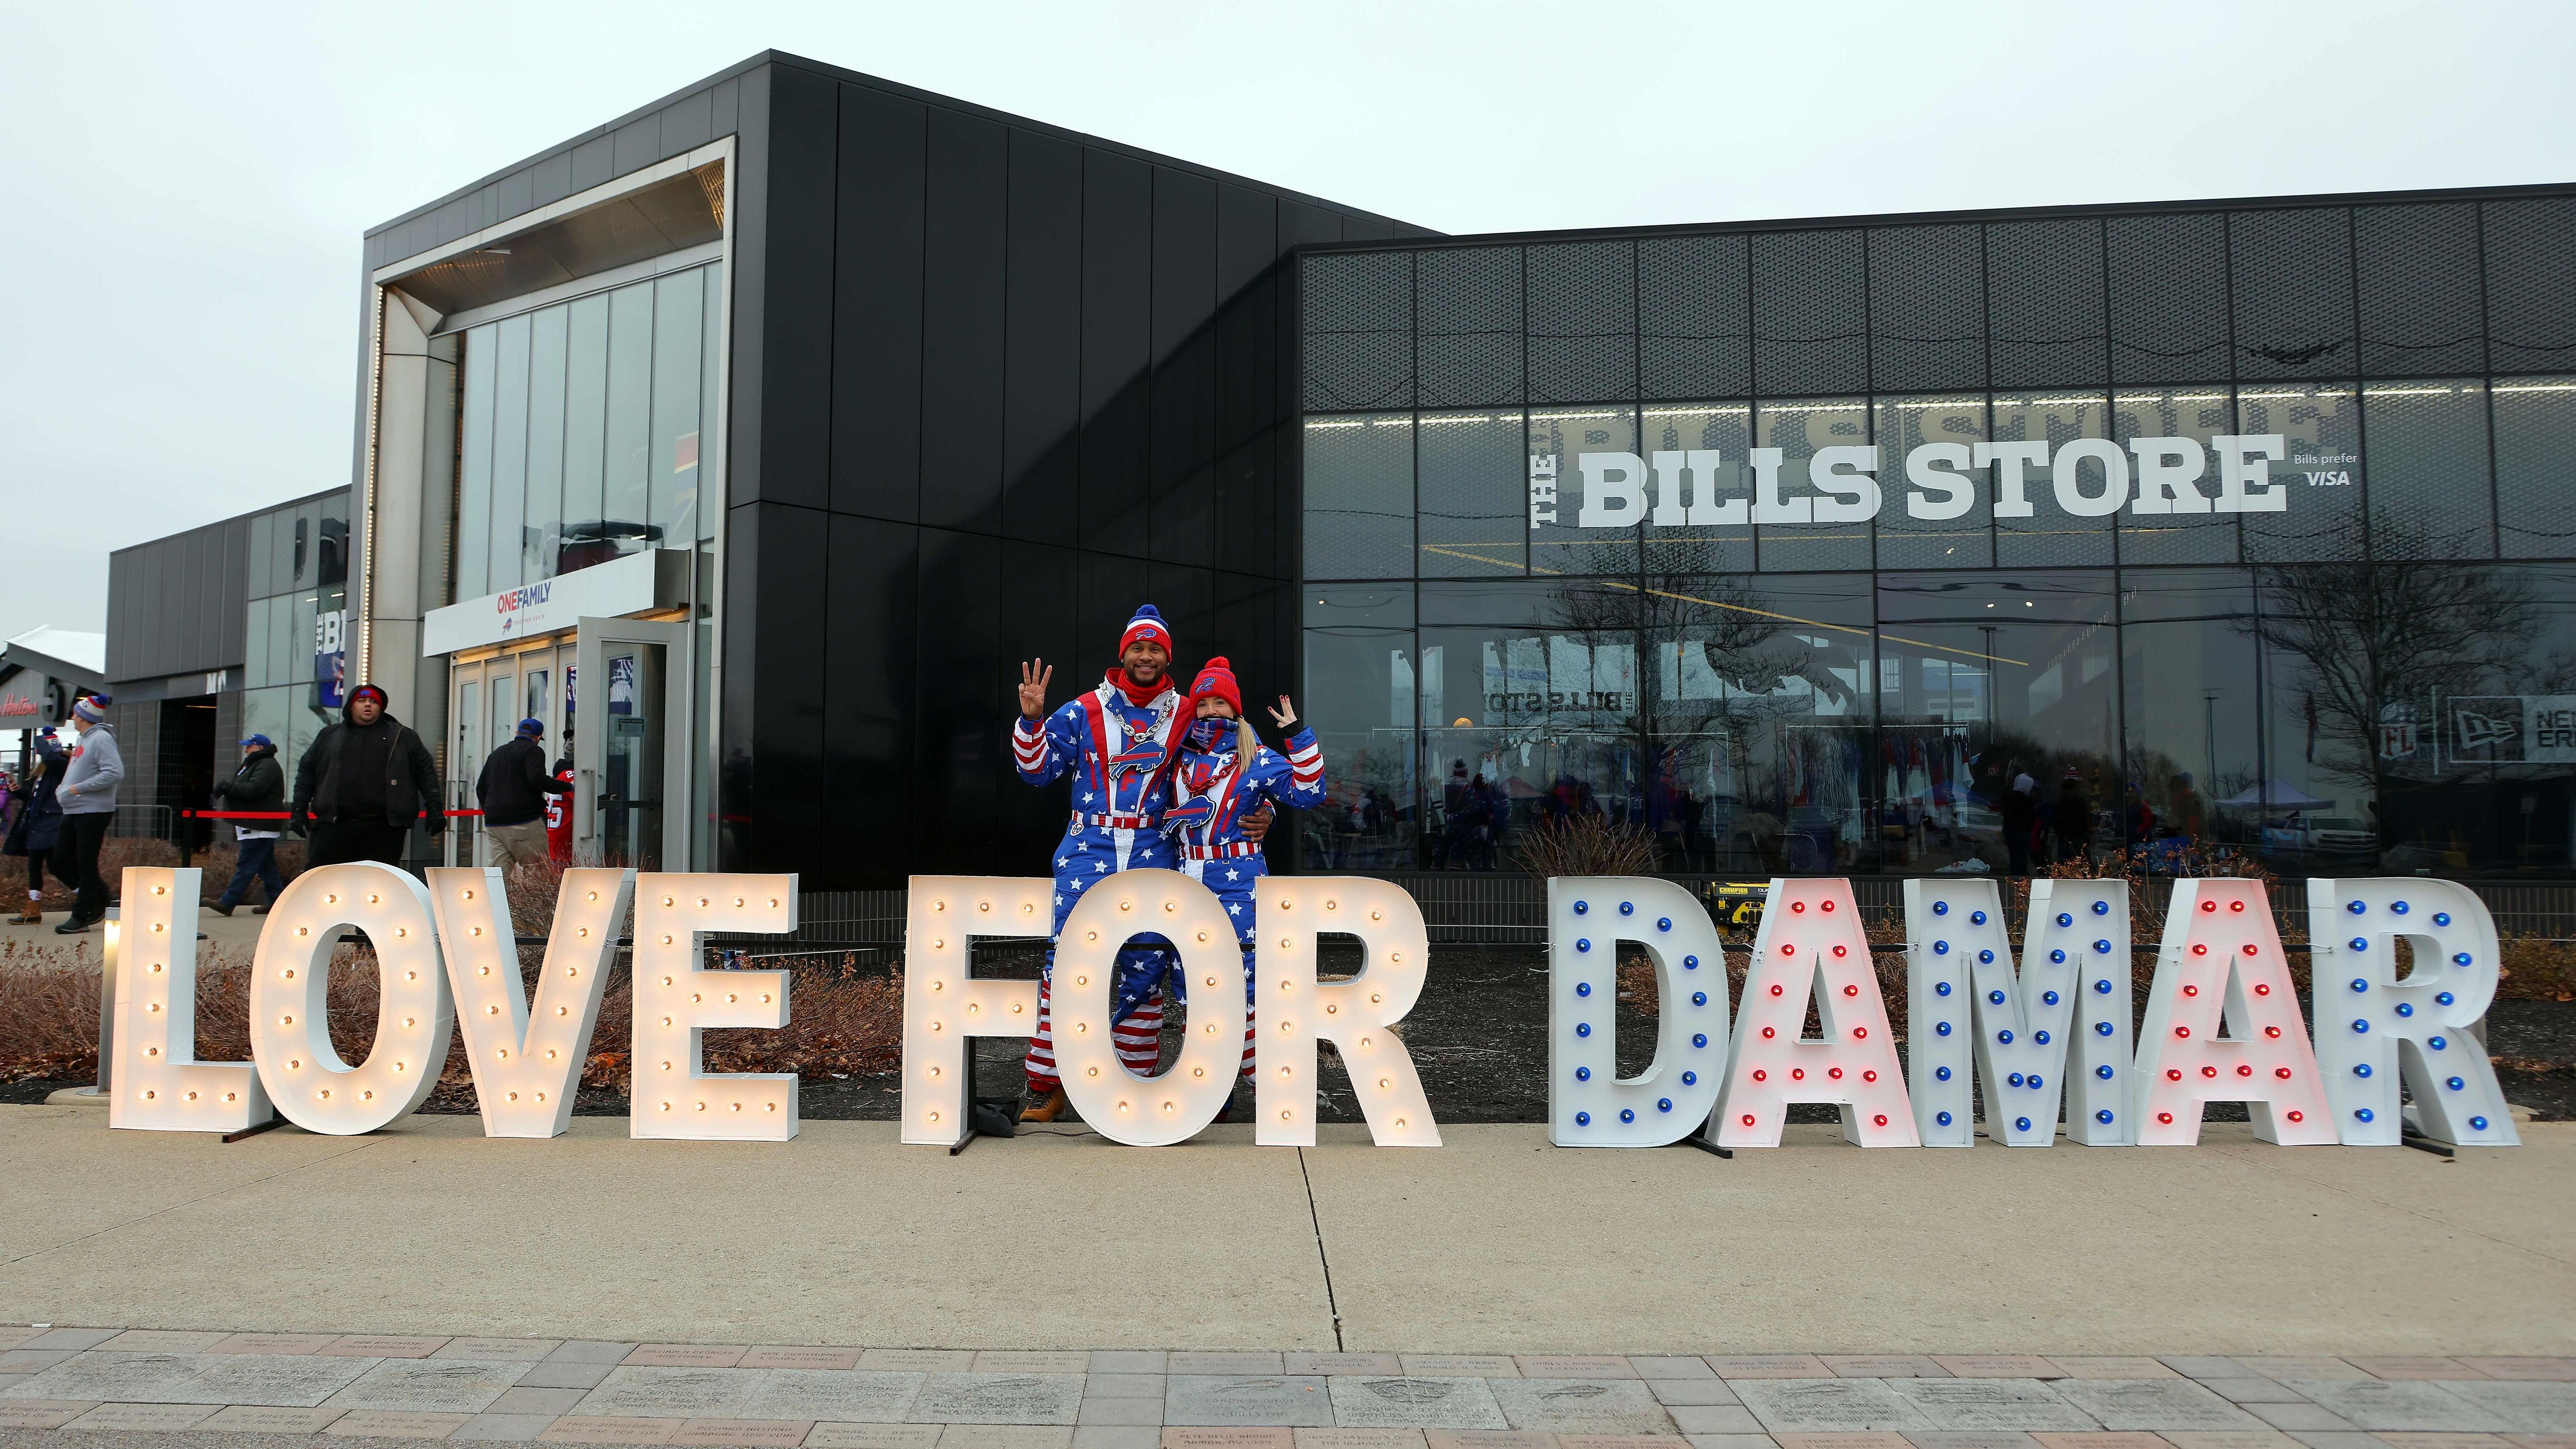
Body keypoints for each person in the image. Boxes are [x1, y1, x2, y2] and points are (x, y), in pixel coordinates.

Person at [1008, 606, 1194, 1123]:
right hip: (1087, 852)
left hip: (1153, 852)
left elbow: (1228, 768)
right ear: (1123, 652)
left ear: (1166, 656)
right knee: (1066, 966)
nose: (1146, 656)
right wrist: (1030, 718)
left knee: (1146, 967)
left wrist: (1263, 809)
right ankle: (1048, 1084)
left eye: (1155, 647)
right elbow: (1036, 771)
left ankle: (1130, 1085)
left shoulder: (1187, 713)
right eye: (1138, 646)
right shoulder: (1082, 709)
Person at [1162, 658, 1327, 1118]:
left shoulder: (1255, 756)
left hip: (1238, 885)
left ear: (1234, 708)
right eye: (1204, 702)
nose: (1212, 710)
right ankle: (1209, 1084)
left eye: (1220, 701)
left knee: (1247, 987)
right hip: (1185, 882)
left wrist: (1297, 734)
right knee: (1194, 986)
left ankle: (1270, 1086)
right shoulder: (1173, 757)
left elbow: (1311, 791)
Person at [290, 684, 443, 867]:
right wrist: (298, 809)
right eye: (361, 701)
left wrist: (435, 808)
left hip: (384, 828)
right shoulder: (329, 736)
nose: (368, 705)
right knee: (324, 883)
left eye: (373, 702)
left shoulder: (403, 736)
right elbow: (307, 772)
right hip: (334, 826)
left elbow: (426, 773)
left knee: (378, 888)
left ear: (381, 707)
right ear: (351, 706)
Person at [52, 696, 124, 933]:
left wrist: (78, 788)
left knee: (85, 864)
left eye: (74, 714)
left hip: (93, 811)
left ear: (83, 716)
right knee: (59, 862)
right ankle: (102, 896)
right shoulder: (83, 739)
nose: (72, 717)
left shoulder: (101, 738)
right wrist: (64, 790)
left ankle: (81, 915)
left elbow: (115, 772)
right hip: (73, 809)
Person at [476, 718, 570, 873]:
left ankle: (493, 897)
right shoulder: (533, 751)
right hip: (524, 820)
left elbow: (481, 787)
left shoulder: (497, 753)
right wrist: (569, 787)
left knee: (497, 874)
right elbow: (537, 779)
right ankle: (538, 899)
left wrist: (491, 810)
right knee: (538, 870)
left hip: (494, 823)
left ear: (517, 733)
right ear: (538, 738)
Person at [209, 734, 286, 916]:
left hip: (259, 825)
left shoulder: (267, 765)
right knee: (266, 866)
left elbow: (254, 790)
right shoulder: (254, 764)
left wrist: (228, 788)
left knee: (247, 864)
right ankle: (276, 900)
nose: (246, 750)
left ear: (260, 748)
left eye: (249, 746)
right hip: (255, 824)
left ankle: (228, 902)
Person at [4, 729, 67, 924]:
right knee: (35, 866)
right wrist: (16, 791)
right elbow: (33, 798)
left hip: (50, 825)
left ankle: (89, 897)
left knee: (57, 867)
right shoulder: (42, 773)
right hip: (36, 825)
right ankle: (33, 907)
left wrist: (43, 736)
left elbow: (50, 756)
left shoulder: (61, 765)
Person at [1999, 768, 2037, 876]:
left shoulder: (2009, 797)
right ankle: (2020, 876)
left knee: (2014, 856)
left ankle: (2017, 874)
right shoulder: (2025, 801)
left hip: (2011, 832)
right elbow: (2030, 818)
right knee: (2021, 857)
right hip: (2021, 834)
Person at [545, 735, 575, 864]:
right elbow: (584, 803)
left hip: (554, 837)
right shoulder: (570, 775)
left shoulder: (559, 777)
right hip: (563, 840)